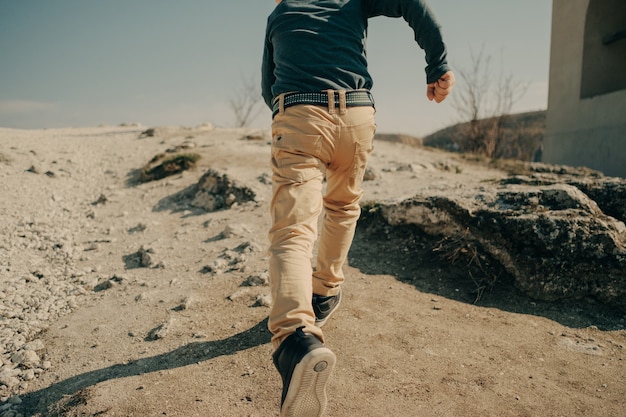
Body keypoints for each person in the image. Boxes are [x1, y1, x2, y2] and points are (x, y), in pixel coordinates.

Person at [261, 1, 455, 415]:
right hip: (356, 112)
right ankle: (325, 292)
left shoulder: (279, 13)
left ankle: (296, 336)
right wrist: (437, 66)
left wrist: (293, 118)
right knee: (343, 206)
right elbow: (412, 4)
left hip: (300, 112)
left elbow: (268, 86)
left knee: (294, 230)